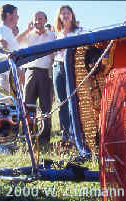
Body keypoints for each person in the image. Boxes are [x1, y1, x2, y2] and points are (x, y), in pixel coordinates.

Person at [18, 11, 55, 145]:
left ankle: (44, 139)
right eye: (35, 19)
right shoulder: (28, 34)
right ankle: (29, 136)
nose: (38, 21)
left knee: (46, 106)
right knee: (28, 105)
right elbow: (15, 42)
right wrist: (26, 29)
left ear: (45, 20)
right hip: (30, 72)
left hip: (46, 73)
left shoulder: (52, 35)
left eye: (40, 18)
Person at [53, 5, 83, 144]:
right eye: (62, 13)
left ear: (72, 15)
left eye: (67, 13)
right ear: (59, 17)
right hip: (58, 67)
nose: (65, 15)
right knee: (61, 101)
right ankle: (65, 134)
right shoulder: (55, 33)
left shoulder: (79, 31)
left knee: (73, 99)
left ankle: (75, 134)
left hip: (72, 67)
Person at [0, 4, 20, 94]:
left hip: (11, 73)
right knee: (4, 104)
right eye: (16, 14)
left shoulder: (8, 31)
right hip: (4, 73)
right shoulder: (1, 29)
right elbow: (3, 44)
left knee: (12, 104)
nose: (18, 16)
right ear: (9, 15)